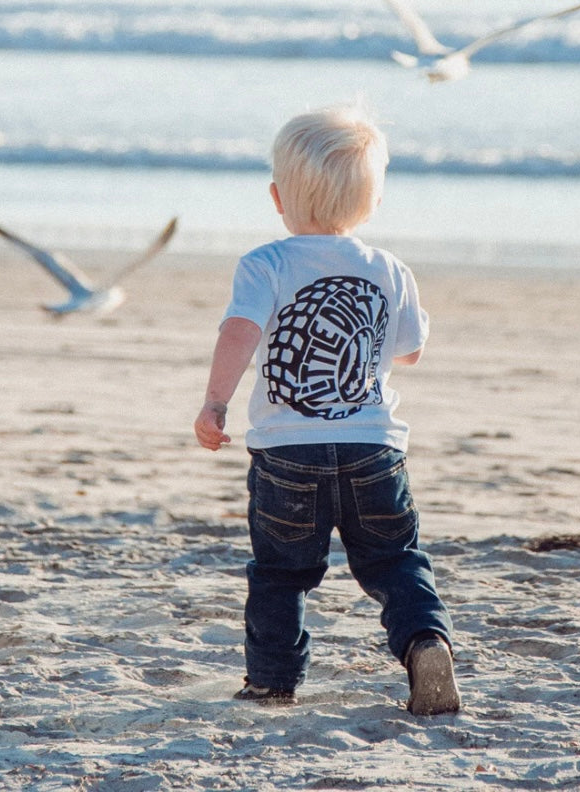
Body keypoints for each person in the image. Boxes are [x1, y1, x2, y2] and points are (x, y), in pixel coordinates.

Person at [194, 105, 459, 716]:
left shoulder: (266, 263)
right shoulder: (389, 269)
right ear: (372, 203)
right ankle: (425, 642)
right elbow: (411, 351)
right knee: (395, 562)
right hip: (374, 450)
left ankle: (271, 681)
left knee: (281, 574)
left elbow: (239, 331)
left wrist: (215, 401)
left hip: (288, 454)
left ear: (277, 196)